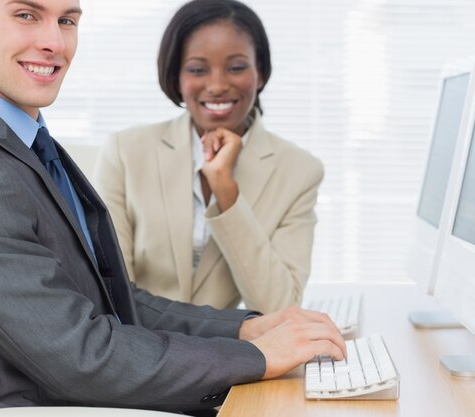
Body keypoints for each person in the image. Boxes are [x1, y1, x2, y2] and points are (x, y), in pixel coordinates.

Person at [0, 0, 345, 414]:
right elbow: (80, 354)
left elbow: (111, 302)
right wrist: (257, 356)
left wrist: (244, 328)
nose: (54, 42)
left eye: (67, 21)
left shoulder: (26, 144)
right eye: (26, 15)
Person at [93, 0, 324, 313]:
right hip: (144, 346)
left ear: (261, 74)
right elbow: (113, 294)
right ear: (176, 77)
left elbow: (279, 308)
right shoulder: (125, 152)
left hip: (231, 354)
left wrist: (225, 191)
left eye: (237, 67)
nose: (217, 86)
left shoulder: (299, 171)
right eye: (198, 69)